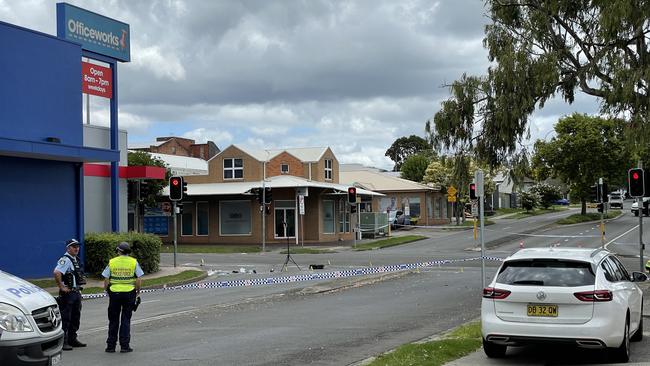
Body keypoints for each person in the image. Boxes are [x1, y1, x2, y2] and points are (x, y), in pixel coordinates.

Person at [102, 242, 144, 353]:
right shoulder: (133, 262)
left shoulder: (112, 261)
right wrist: (137, 291)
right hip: (129, 293)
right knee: (126, 319)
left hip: (114, 293)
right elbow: (139, 278)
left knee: (113, 320)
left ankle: (110, 346)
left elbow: (106, 278)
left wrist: (106, 290)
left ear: (119, 251)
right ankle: (125, 346)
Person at [53, 238, 87, 351]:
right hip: (68, 294)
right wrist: (61, 286)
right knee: (66, 318)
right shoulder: (65, 259)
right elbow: (57, 272)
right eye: (74, 246)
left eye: (77, 246)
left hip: (76, 292)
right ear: (68, 248)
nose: (77, 248)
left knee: (75, 317)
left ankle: (73, 339)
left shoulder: (75, 259)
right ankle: (64, 341)